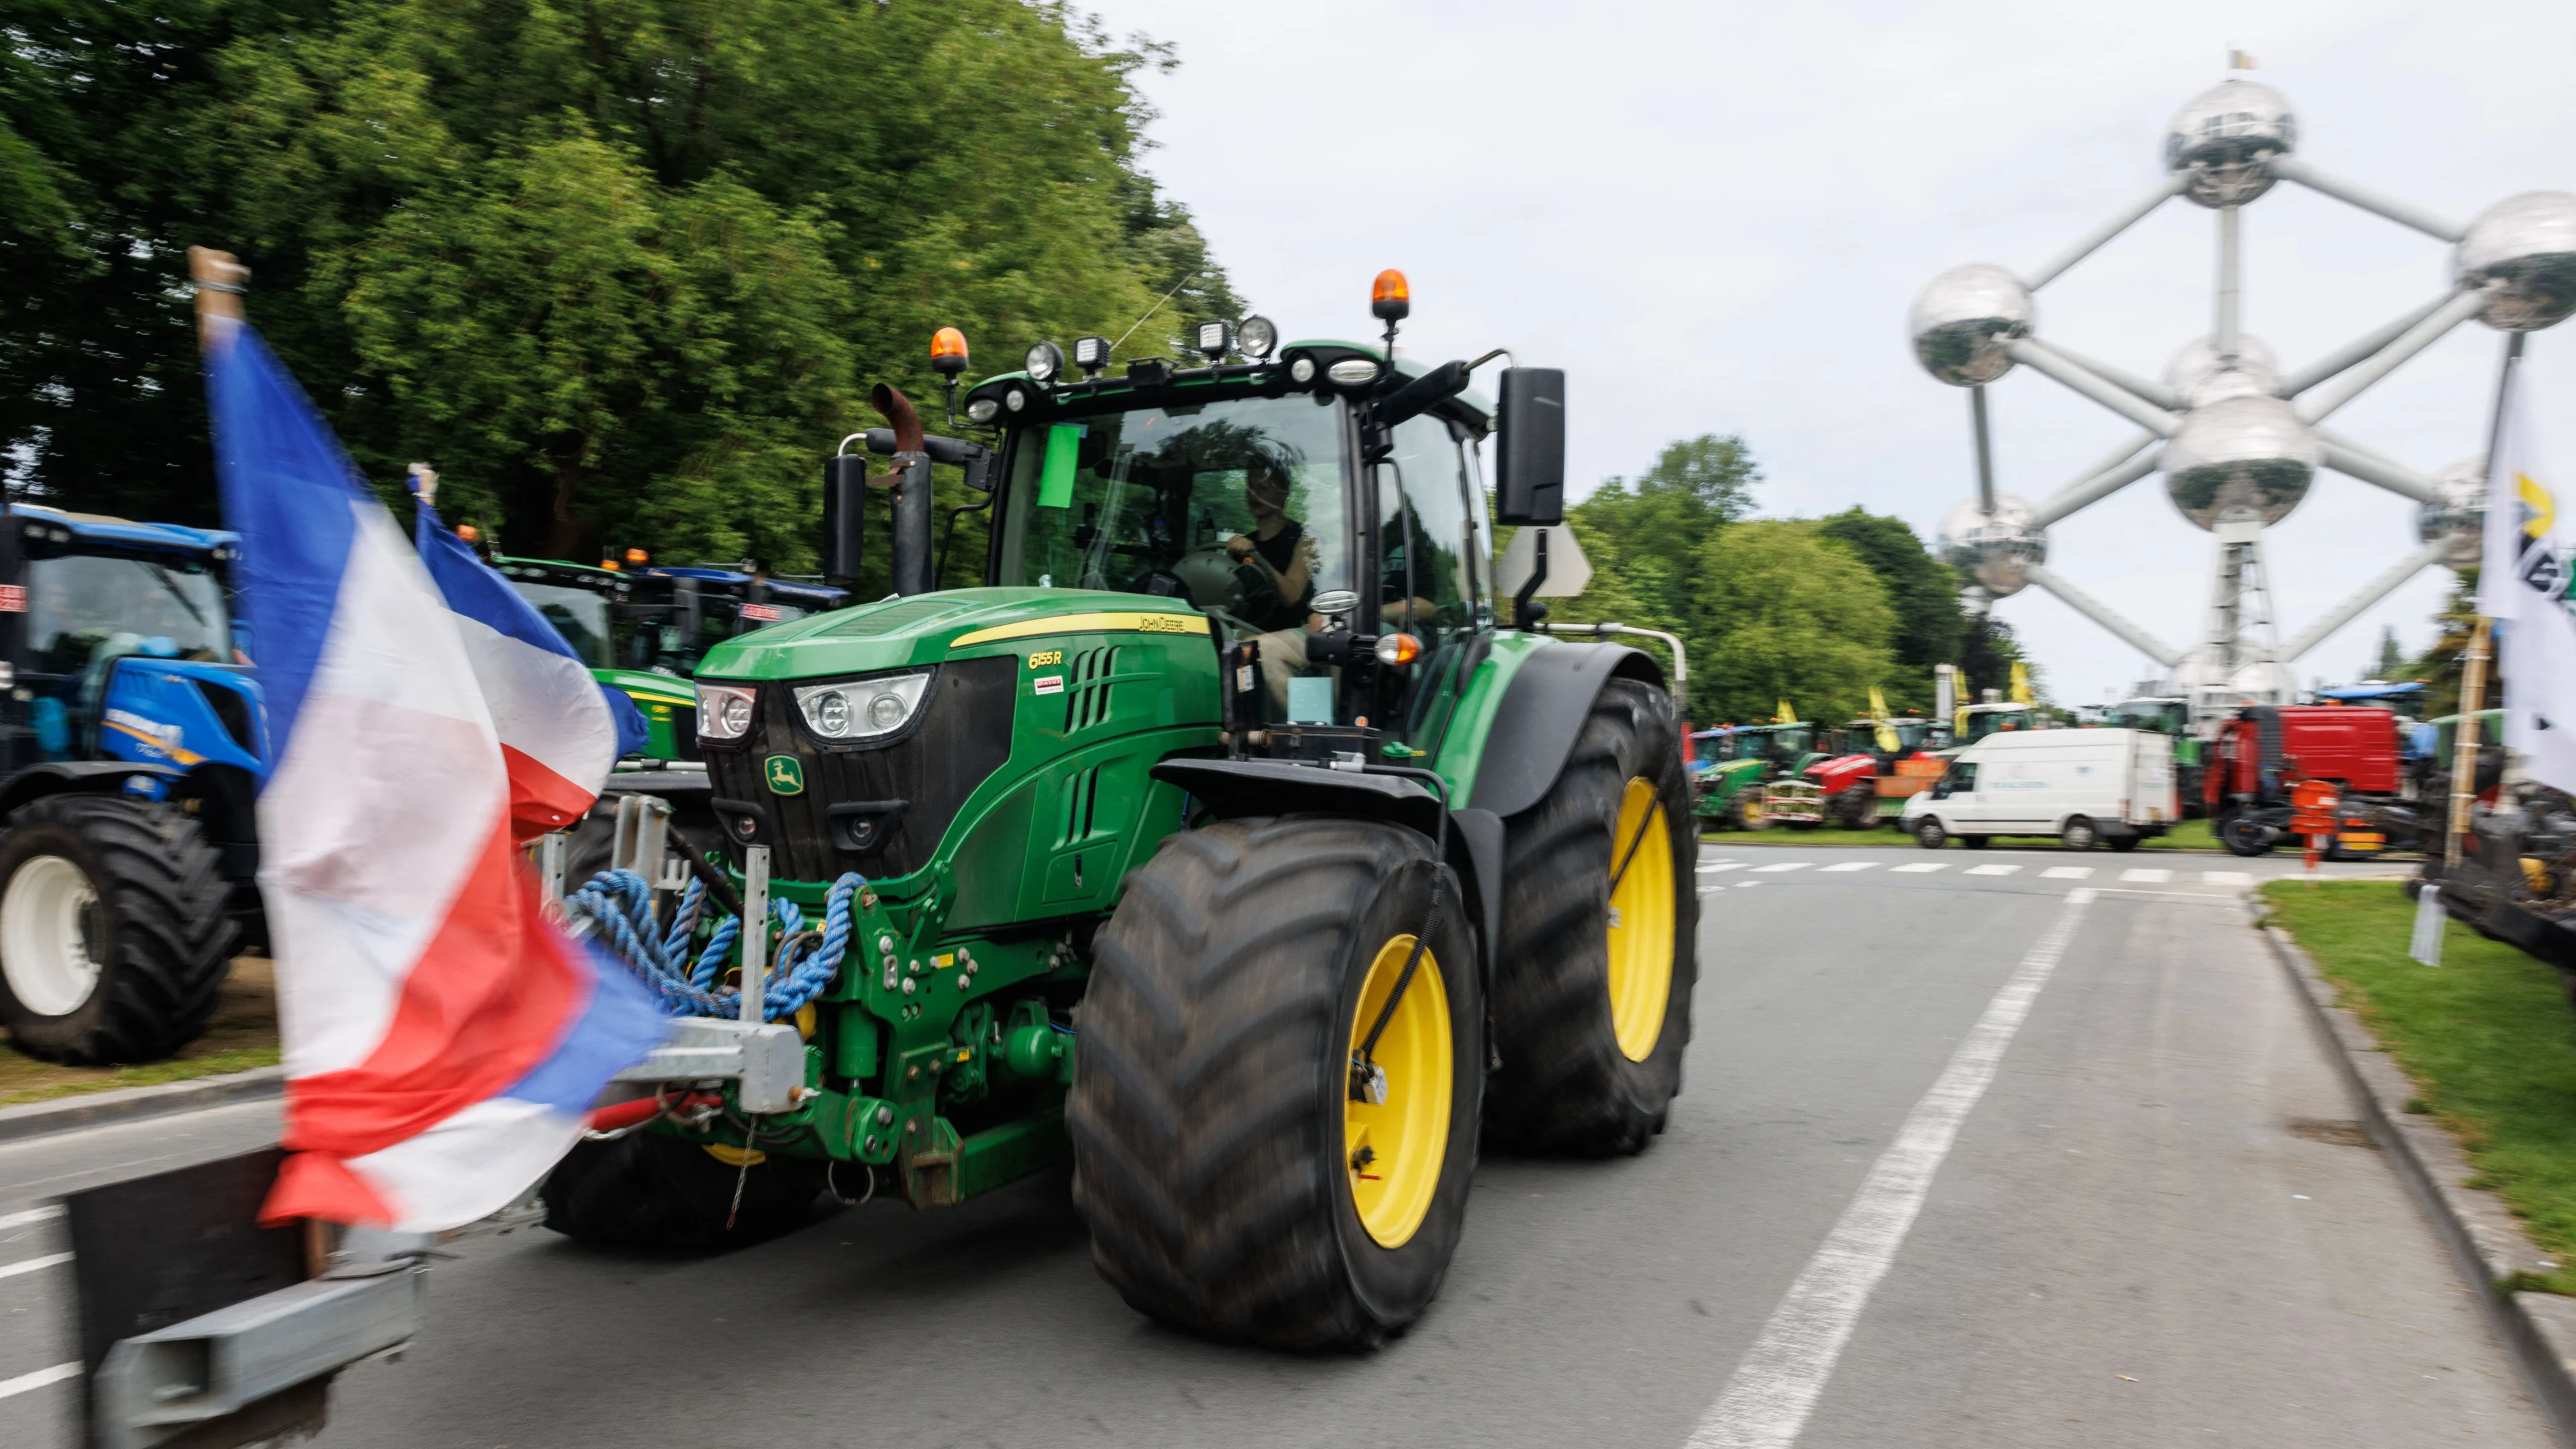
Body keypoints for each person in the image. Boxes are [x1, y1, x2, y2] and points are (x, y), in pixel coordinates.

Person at [1224, 458, 1324, 708]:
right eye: (1250, 487)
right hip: (1252, 628)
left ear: (1284, 494)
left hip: (1298, 631)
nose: (1253, 494)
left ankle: (1308, 726)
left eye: (1264, 487)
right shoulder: (1244, 544)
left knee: (1252, 649)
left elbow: (1291, 595)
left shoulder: (1306, 539)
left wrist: (1256, 556)